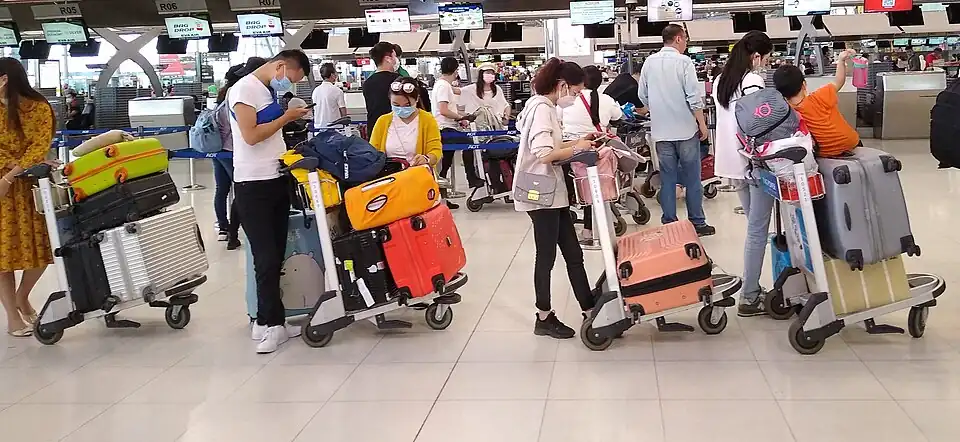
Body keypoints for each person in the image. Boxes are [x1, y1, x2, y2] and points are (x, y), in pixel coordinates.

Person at [228, 50, 312, 354]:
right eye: (291, 78)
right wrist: (286, 118)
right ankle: (272, 325)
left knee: (276, 254)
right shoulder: (244, 89)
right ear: (280, 66)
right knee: (265, 257)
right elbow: (250, 136)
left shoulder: (264, 90)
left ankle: (267, 320)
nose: (288, 85)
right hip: (253, 184)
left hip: (275, 178)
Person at [514, 58, 597, 339]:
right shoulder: (541, 109)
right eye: (575, 91)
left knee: (573, 253)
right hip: (541, 194)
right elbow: (544, 154)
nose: (575, 97)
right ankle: (544, 316)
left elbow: (555, 145)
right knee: (546, 256)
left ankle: (589, 308)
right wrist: (577, 149)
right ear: (562, 85)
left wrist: (581, 141)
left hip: (551, 192)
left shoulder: (543, 106)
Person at [712, 31, 774, 317]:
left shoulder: (720, 81)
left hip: (731, 163)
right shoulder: (752, 82)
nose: (766, 64)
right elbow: (759, 124)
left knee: (754, 228)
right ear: (756, 56)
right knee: (757, 231)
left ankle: (752, 288)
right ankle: (749, 296)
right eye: (767, 59)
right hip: (752, 162)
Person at [638, 24, 715, 236]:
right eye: (686, 40)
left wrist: (657, 108)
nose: (686, 44)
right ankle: (697, 222)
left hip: (661, 132)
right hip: (685, 130)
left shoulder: (649, 62)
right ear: (679, 39)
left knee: (668, 179)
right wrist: (701, 124)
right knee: (692, 178)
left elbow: (642, 94)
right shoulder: (684, 62)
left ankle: (670, 223)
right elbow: (693, 97)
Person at [0, 57, 55, 337]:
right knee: (2, 255)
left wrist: (10, 175)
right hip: (5, 187)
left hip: (30, 187)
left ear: (4, 80)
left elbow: (39, 146)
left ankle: (22, 296)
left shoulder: (38, 108)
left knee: (43, 248)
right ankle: (12, 315)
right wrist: (12, 165)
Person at [558, 65, 623, 250]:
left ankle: (581, 229)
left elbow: (558, 119)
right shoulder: (606, 99)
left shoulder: (567, 101)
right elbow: (618, 115)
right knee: (594, 187)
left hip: (570, 149)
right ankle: (596, 228)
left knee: (578, 187)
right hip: (598, 148)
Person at [213, 57, 267, 251]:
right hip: (232, 150)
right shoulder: (241, 93)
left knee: (221, 190)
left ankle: (223, 228)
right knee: (240, 191)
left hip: (218, 150)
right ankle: (233, 233)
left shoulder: (223, 95)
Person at [773, 49, 860, 158]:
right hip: (850, 144)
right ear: (804, 85)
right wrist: (841, 60)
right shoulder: (819, 97)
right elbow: (839, 81)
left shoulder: (787, 113)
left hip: (824, 154)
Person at [368, 77, 442, 170]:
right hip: (389, 174)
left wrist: (426, 158)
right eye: (396, 105)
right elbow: (372, 152)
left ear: (417, 99)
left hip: (418, 174)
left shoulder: (427, 120)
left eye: (407, 105)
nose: (401, 108)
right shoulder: (383, 121)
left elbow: (436, 149)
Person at [434, 57, 483, 194]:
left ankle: (442, 192)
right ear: (456, 70)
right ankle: (471, 177)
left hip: (447, 127)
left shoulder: (443, 85)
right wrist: (460, 117)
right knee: (468, 143)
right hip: (444, 128)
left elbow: (451, 106)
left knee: (446, 162)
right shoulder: (443, 86)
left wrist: (462, 116)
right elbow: (443, 110)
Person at [363, 42, 402, 129]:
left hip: (375, 129)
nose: (396, 60)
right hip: (395, 128)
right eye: (394, 56)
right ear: (388, 59)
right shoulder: (398, 80)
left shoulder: (367, 83)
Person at [311, 62, 347, 129]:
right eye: (335, 72)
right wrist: (346, 124)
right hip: (334, 128)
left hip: (318, 128)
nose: (336, 74)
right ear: (332, 75)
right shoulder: (337, 91)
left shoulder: (315, 91)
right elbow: (342, 110)